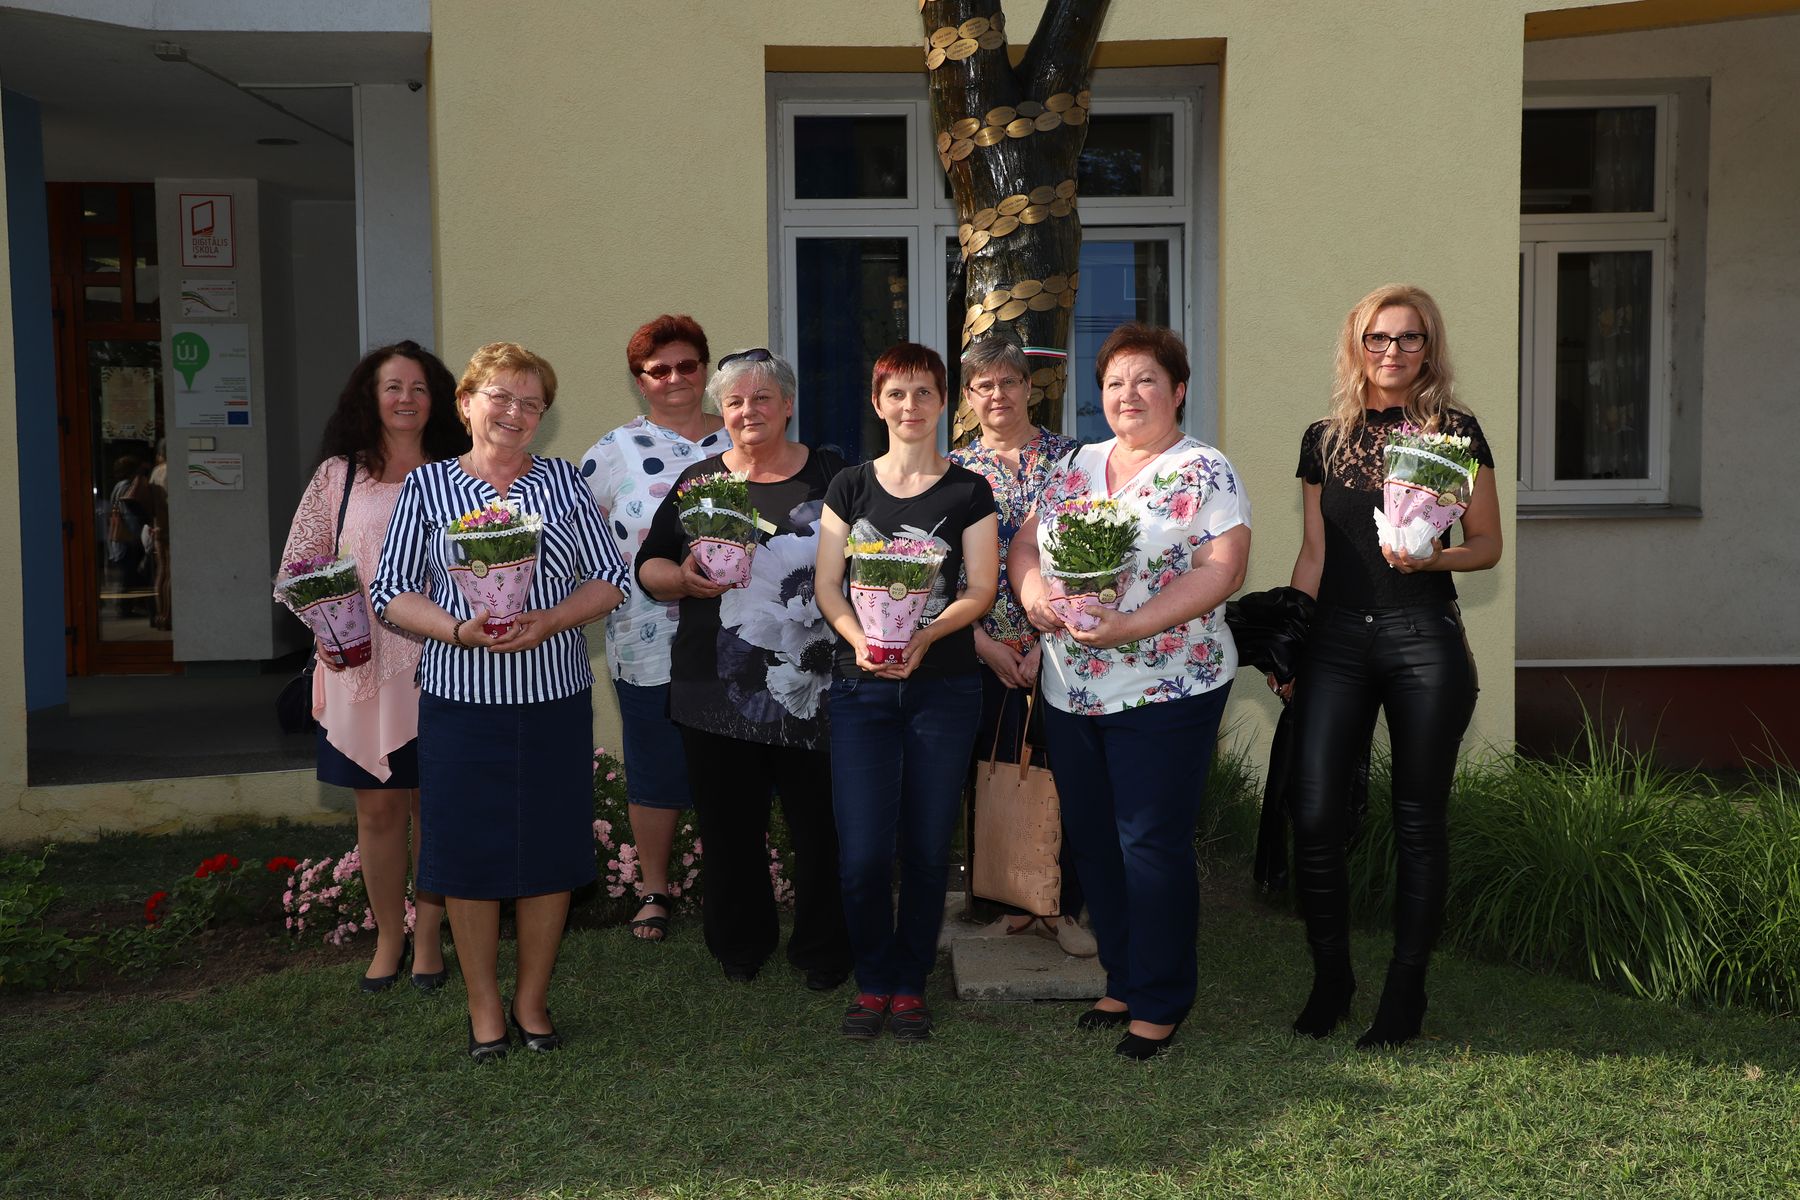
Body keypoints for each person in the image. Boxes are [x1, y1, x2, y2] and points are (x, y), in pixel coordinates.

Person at [371, 342, 630, 1060]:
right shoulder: (427, 489)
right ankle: (484, 1004)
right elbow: (392, 591)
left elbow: (609, 579)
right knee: (468, 856)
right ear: (466, 403)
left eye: (531, 403)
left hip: (552, 699)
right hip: (460, 703)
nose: (515, 413)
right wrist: (458, 629)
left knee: (549, 852)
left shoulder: (562, 484)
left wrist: (549, 620)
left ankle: (531, 1000)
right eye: (501, 397)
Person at [1012, 323, 1251, 1060]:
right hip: (1071, 689)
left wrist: (1131, 625)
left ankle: (1160, 999)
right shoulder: (1076, 464)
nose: (1128, 394)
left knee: (1149, 842)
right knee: (1093, 839)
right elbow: (1025, 545)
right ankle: (1122, 977)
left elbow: (1223, 569)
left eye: (1146, 379)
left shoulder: (1205, 470)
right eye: (1115, 382)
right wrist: (1033, 596)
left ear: (1178, 391)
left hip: (1166, 686)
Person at [1278, 284, 1500, 1049]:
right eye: (1378, 337)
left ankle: (1405, 994)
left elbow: (1487, 545)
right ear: (1357, 345)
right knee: (1314, 815)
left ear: (1428, 347)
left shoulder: (1454, 432)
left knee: (1417, 822)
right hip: (1337, 640)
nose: (1392, 351)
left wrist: (1433, 557)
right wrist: (1292, 639)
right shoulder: (1324, 438)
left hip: (1423, 638)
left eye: (1408, 338)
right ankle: (1332, 979)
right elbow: (1314, 554)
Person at [636, 348, 851, 990]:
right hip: (716, 685)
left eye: (762, 398)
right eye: (734, 401)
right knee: (729, 827)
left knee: (823, 825)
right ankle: (739, 944)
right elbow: (649, 566)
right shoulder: (700, 482)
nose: (748, 411)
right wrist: (681, 578)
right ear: (721, 412)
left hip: (817, 684)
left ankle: (824, 949)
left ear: (787, 405)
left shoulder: (835, 476)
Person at [815, 342, 999, 1042]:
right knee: (863, 853)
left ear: (944, 402)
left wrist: (925, 636)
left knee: (925, 848)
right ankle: (873, 980)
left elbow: (980, 589)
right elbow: (828, 584)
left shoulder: (968, 492)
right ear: (877, 403)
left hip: (944, 688)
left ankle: (910, 984)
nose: (910, 406)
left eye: (924, 392)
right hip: (861, 689)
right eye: (897, 393)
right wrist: (860, 640)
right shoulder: (849, 487)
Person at [278, 340, 468, 992]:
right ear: (371, 396)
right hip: (358, 668)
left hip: (442, 664)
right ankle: (390, 936)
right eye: (394, 387)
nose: (406, 398)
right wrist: (324, 623)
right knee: (379, 812)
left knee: (435, 808)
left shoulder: (458, 472)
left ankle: (429, 938)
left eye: (419, 387)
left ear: (438, 400)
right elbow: (297, 567)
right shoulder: (339, 476)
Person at [580, 314, 729, 943]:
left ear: (705, 370)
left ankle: (734, 883)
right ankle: (654, 888)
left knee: (736, 766)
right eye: (658, 369)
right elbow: (580, 540)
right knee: (655, 767)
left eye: (687, 365)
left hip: (741, 640)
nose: (674, 378)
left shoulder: (743, 435)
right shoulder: (611, 452)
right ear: (639, 381)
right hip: (647, 640)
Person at [945, 337, 1093, 956]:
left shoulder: (1074, 460)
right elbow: (940, 571)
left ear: (1030, 387)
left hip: (1062, 645)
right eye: (984, 385)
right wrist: (982, 643)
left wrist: (1044, 641)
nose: (997, 394)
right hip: (979, 650)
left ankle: (1065, 908)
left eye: (1009, 382)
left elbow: (1090, 554)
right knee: (993, 771)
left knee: (1068, 774)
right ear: (968, 396)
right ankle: (1010, 903)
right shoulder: (951, 470)